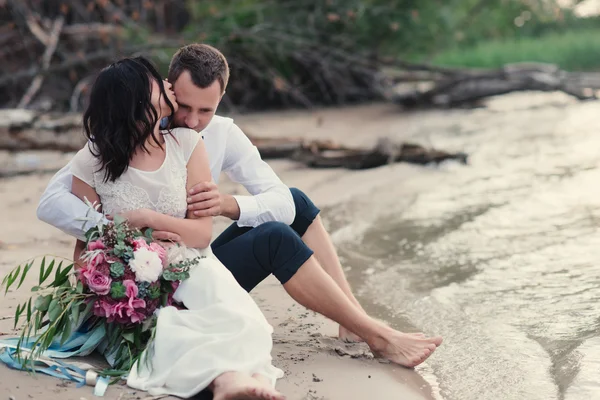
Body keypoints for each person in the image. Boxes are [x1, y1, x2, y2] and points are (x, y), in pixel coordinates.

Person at [38, 44, 442, 368]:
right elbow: (54, 201)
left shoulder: (218, 135)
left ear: (221, 101)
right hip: (150, 269)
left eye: (206, 111)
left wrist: (229, 205)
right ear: (167, 89)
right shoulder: (120, 131)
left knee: (295, 203)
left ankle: (351, 320)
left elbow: (278, 200)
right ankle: (375, 332)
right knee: (274, 237)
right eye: (185, 106)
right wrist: (119, 229)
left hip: (197, 255)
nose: (193, 120)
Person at [67, 56, 285, 400]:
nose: (167, 87)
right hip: (132, 275)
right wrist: (120, 267)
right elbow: (86, 245)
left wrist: (147, 220)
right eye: (160, 86)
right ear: (136, 105)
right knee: (173, 327)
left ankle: (244, 378)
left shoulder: (186, 144)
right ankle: (228, 380)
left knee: (243, 320)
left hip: (192, 261)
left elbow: (200, 234)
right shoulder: (90, 161)